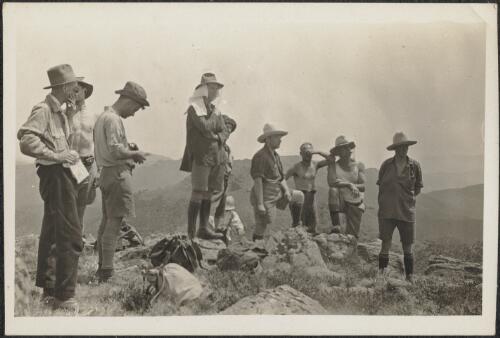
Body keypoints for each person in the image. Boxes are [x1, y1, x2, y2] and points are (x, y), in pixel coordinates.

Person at [17, 64, 88, 312]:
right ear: (65, 87)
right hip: (55, 175)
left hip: (60, 176)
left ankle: (49, 293)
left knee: (53, 233)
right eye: (74, 86)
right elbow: (26, 141)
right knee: (70, 234)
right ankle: (65, 297)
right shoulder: (44, 109)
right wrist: (57, 156)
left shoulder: (60, 112)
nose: (77, 90)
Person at [93, 81, 150, 282]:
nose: (134, 113)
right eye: (136, 107)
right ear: (128, 100)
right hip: (117, 175)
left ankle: (102, 268)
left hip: (106, 173)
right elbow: (116, 150)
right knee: (114, 224)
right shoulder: (114, 120)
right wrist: (135, 153)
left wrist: (128, 149)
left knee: (106, 222)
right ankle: (108, 272)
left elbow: (109, 148)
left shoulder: (103, 117)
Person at [180, 73, 230, 241]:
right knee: (198, 191)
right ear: (203, 89)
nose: (215, 91)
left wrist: (216, 136)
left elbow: (224, 130)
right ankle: (191, 232)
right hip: (202, 156)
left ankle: (203, 228)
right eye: (212, 87)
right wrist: (216, 125)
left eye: (216, 88)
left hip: (217, 156)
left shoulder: (213, 110)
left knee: (209, 191)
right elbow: (204, 126)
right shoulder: (195, 108)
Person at [377, 132, 423, 283]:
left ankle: (409, 278)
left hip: (406, 211)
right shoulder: (386, 165)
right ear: (395, 149)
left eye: (406, 147)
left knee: (408, 247)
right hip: (387, 211)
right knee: (385, 244)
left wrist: (408, 200)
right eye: (401, 147)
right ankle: (381, 276)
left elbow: (417, 188)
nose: (404, 149)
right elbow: (381, 186)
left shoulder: (415, 166)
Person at [66, 80, 100, 239]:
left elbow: (99, 143)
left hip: (86, 163)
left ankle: (77, 241)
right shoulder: (64, 114)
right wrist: (69, 113)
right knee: (67, 204)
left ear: (85, 91)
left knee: (80, 206)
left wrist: (98, 170)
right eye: (71, 91)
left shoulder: (94, 115)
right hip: (69, 162)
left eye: (77, 90)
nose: (73, 94)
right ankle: (68, 240)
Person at [250, 123, 292, 241]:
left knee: (299, 196)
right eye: (277, 137)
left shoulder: (276, 156)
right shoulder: (260, 156)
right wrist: (260, 204)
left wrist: (287, 191)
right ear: (268, 139)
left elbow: (281, 177)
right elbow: (258, 181)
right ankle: (256, 250)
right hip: (265, 195)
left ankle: (296, 225)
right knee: (262, 225)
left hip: (276, 192)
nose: (280, 140)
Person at [284, 142, 330, 234]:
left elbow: (331, 159)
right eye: (305, 151)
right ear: (301, 154)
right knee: (298, 225)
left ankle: (310, 247)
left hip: (311, 198)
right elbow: (283, 179)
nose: (307, 154)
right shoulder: (296, 167)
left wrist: (318, 152)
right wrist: (287, 192)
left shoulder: (315, 165)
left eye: (309, 152)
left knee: (312, 226)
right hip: (300, 198)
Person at [327, 135, 366, 238]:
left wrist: (353, 186)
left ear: (350, 149)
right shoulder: (334, 166)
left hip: (355, 201)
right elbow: (331, 182)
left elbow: (363, 186)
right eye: (341, 149)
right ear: (338, 152)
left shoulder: (359, 165)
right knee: (333, 190)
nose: (344, 151)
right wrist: (349, 184)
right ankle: (336, 225)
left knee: (352, 236)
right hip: (341, 201)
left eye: (346, 147)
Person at [213, 114, 237, 227]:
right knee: (212, 205)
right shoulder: (214, 145)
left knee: (221, 208)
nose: (228, 130)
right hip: (215, 178)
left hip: (225, 179)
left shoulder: (227, 148)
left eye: (230, 129)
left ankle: (217, 231)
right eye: (226, 127)